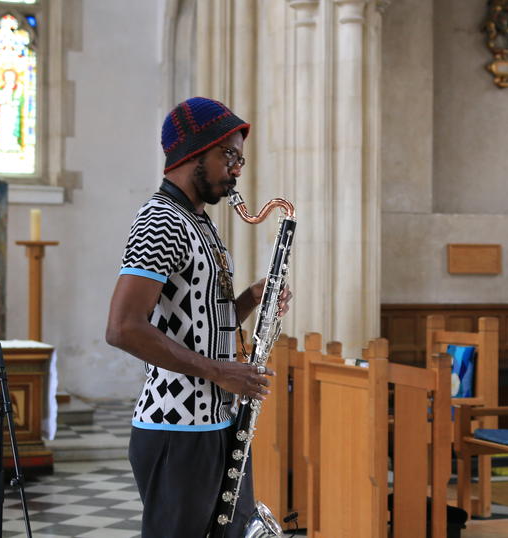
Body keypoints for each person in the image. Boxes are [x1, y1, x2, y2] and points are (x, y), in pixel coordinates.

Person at [106, 96, 292, 538]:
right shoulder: (161, 220)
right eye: (228, 154)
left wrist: (252, 297)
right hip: (176, 427)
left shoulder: (201, 222)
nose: (237, 169)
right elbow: (122, 327)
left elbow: (202, 320)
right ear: (193, 152)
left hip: (215, 421)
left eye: (240, 158)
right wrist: (218, 372)